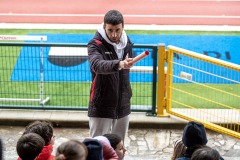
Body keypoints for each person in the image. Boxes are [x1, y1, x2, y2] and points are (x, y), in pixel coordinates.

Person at [87, 9, 134, 141]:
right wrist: (119, 64)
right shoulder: (95, 44)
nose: (114, 34)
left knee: (119, 147)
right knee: (98, 147)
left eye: (117, 30)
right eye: (110, 30)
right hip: (102, 103)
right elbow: (97, 65)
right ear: (104, 27)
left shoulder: (127, 43)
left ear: (123, 27)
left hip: (123, 103)